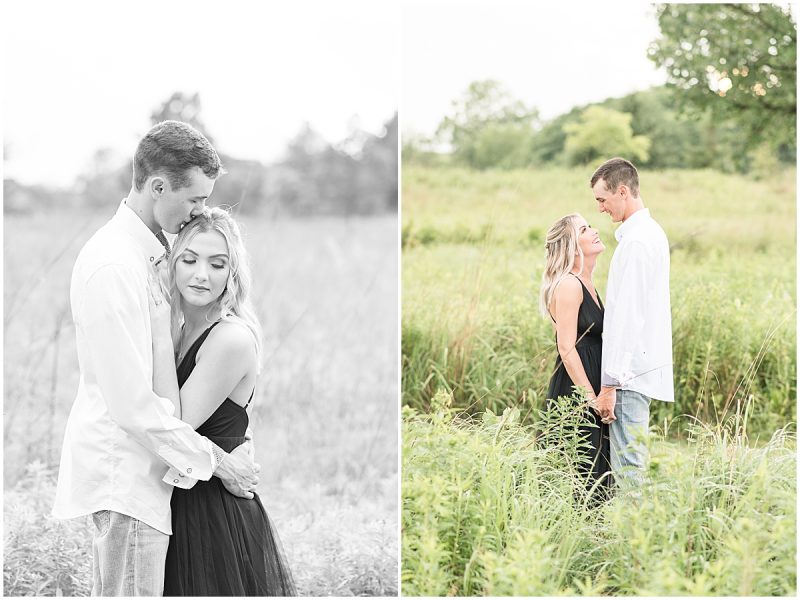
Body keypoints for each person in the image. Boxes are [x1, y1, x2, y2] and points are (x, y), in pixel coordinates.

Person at [53, 121, 261, 597]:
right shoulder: (114, 265)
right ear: (157, 186)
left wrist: (232, 439)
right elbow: (131, 406)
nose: (199, 212)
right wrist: (219, 460)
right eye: (194, 200)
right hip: (125, 480)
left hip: (152, 483)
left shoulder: (150, 258)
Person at [150, 206, 296, 596]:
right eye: (190, 259)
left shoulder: (229, 338)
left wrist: (157, 326)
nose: (202, 274)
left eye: (217, 264)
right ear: (173, 263)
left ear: (233, 273)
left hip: (211, 512)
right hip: (179, 497)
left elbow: (173, 423)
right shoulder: (182, 328)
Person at [589, 157, 674, 490]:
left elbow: (627, 319)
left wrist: (610, 384)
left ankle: (633, 536)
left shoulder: (637, 243)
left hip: (627, 374)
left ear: (622, 191)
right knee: (630, 461)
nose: (600, 209)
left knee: (629, 465)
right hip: (635, 369)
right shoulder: (648, 234)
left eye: (602, 199)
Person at [541, 213, 612, 500]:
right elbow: (566, 347)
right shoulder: (570, 285)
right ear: (572, 244)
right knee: (581, 469)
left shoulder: (589, 283)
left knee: (599, 468)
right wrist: (590, 398)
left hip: (593, 377)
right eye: (584, 229)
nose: (594, 231)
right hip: (576, 386)